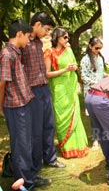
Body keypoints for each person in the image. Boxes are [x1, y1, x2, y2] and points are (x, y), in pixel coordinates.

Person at [0, 19, 50, 190]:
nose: (29, 41)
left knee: (27, 142)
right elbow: (2, 83)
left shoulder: (16, 52)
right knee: (21, 145)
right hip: (15, 106)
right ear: (19, 34)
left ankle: (30, 177)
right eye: (28, 37)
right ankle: (25, 183)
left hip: (24, 102)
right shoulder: (7, 54)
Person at [21, 12, 66, 170]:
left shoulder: (39, 43)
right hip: (32, 91)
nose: (47, 34)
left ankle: (50, 158)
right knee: (36, 129)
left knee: (49, 125)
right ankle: (36, 162)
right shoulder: (24, 41)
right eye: (46, 29)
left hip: (44, 88)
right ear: (37, 24)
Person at [44, 26, 89, 159]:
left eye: (68, 37)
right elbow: (47, 74)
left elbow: (74, 66)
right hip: (58, 90)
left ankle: (78, 146)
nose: (67, 39)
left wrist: (74, 68)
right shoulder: (49, 52)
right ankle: (66, 147)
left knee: (74, 117)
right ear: (57, 38)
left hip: (70, 88)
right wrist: (64, 70)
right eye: (64, 37)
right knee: (61, 118)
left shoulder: (68, 50)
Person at [80, 36, 109, 149]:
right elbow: (84, 77)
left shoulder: (100, 58)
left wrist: (106, 76)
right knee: (93, 117)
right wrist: (95, 83)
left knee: (102, 114)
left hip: (102, 90)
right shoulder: (85, 60)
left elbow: (100, 73)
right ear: (90, 46)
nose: (98, 50)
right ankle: (96, 139)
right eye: (96, 48)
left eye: (100, 48)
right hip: (91, 92)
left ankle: (103, 137)